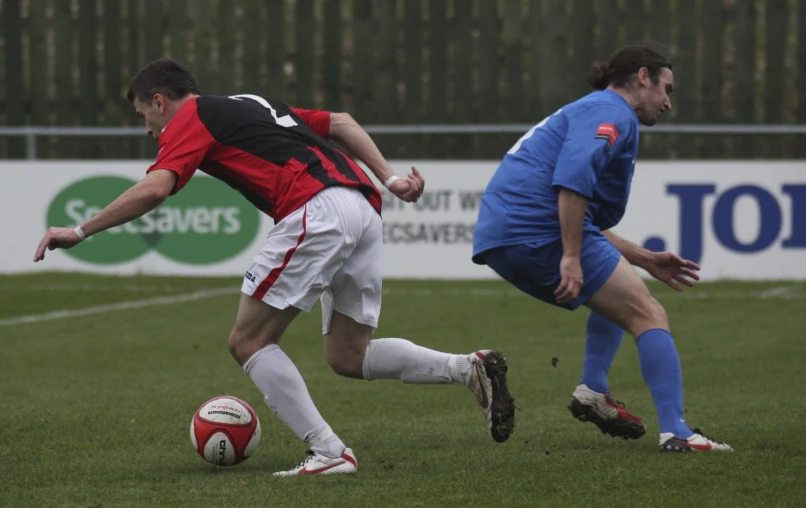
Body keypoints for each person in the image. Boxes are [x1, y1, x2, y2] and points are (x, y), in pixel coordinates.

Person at [33, 57, 516, 475]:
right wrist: (388, 177)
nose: (147, 129)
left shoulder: (190, 117)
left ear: (159, 101)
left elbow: (155, 188)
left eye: (143, 116)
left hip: (317, 208)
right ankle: (465, 369)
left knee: (247, 341)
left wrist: (80, 230)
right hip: (363, 209)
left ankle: (328, 451)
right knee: (348, 356)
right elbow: (342, 121)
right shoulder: (249, 102)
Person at [471, 44, 732, 452]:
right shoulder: (612, 112)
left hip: (504, 235)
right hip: (537, 230)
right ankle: (678, 433)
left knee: (616, 295)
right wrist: (571, 256)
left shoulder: (591, 108)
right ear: (642, 76)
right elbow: (573, 181)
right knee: (649, 314)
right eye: (667, 88)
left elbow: (576, 214)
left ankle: (594, 389)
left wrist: (644, 259)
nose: (667, 102)